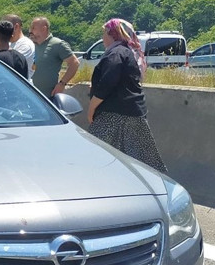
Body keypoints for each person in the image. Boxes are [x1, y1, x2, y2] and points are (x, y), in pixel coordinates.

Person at [87, 18, 166, 173]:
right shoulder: (127, 52)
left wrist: (91, 109)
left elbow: (108, 83)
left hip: (114, 114)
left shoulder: (115, 53)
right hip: (134, 112)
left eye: (104, 32)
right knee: (138, 163)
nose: (102, 37)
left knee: (93, 157)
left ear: (112, 34)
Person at [29, 17, 80, 97]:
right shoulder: (30, 45)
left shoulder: (57, 44)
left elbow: (74, 63)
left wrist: (62, 83)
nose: (30, 31)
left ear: (44, 29)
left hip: (48, 97)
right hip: (29, 95)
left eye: (33, 28)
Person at [3, 14, 35, 78]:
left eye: (6, 27)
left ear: (16, 27)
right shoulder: (9, 43)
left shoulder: (26, 45)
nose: (3, 31)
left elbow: (11, 65)